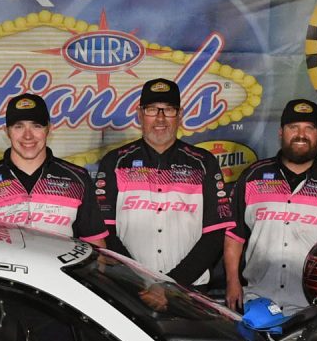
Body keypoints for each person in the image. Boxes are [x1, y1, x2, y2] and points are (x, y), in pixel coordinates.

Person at [223, 98, 317, 312]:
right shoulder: (253, 176)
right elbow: (234, 236)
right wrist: (232, 282)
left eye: (309, 128)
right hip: (257, 298)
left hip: (314, 304)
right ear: (281, 132)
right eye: (293, 127)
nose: (301, 135)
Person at [96, 78, 229, 291]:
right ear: (140, 114)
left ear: (180, 115)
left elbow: (214, 234)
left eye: (168, 110)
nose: (160, 118)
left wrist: (172, 285)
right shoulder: (115, 162)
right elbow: (104, 230)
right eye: (152, 110)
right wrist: (138, 279)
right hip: (130, 287)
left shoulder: (204, 163)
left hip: (190, 289)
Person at [0, 92, 105, 241]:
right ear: (7, 131)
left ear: (49, 129)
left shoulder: (77, 178)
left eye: (36, 126)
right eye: (19, 127)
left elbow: (96, 246)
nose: (28, 136)